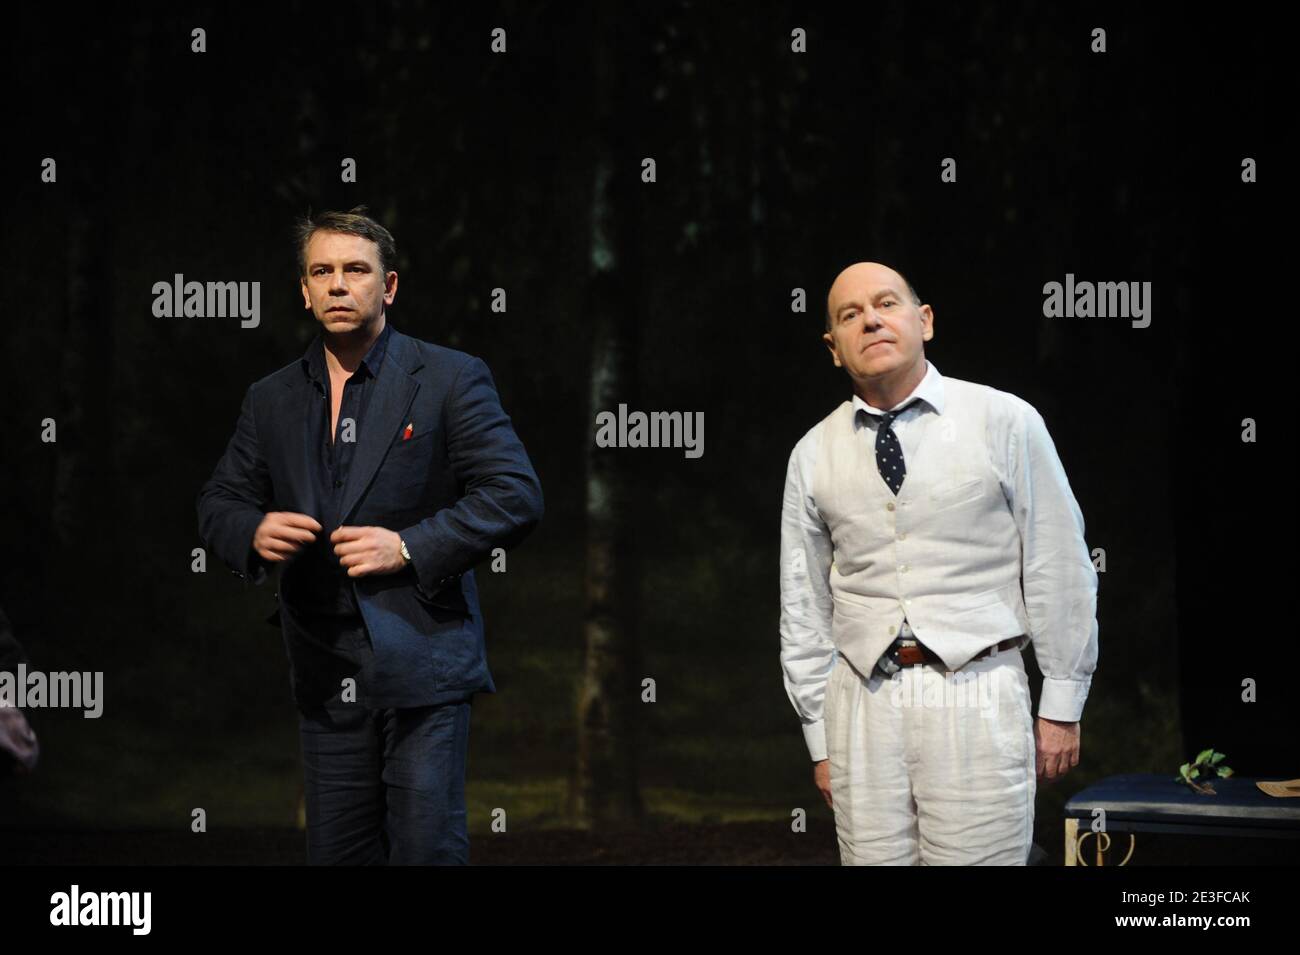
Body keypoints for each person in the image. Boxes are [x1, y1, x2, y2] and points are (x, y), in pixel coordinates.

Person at [197, 206, 543, 864]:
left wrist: (408, 546)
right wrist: (253, 527)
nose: (336, 284)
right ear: (303, 290)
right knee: (339, 854)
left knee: (424, 850)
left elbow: (515, 493)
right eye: (321, 271)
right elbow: (220, 499)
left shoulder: (448, 377)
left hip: (423, 656)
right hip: (325, 666)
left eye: (355, 269)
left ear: (387, 286)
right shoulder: (270, 398)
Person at [779, 261, 1098, 865]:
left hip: (976, 688)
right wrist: (819, 735)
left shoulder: (1004, 420)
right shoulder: (813, 453)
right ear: (833, 347)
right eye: (850, 315)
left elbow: (1059, 562)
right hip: (862, 702)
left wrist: (1062, 700)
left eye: (886, 303)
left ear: (923, 321)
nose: (870, 319)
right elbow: (803, 605)